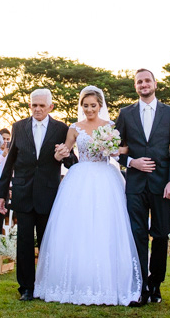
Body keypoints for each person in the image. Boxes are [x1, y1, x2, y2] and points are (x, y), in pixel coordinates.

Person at [35, 86, 141, 305]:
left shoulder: (111, 126)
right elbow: (64, 151)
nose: (89, 109)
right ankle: (77, 280)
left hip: (106, 177)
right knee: (79, 227)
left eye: (93, 105)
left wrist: (112, 149)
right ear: (81, 107)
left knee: (106, 226)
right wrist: (59, 153)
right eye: (86, 106)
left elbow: (125, 149)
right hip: (80, 177)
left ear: (100, 106)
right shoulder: (74, 128)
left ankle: (108, 282)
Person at [0, 89, 77, 301]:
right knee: (23, 242)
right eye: (34, 105)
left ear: (51, 107)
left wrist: (63, 155)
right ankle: (26, 288)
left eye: (42, 105)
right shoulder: (19, 127)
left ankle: (47, 283)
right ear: (30, 106)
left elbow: (72, 162)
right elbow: (10, 161)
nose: (38, 109)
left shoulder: (61, 129)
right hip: (23, 193)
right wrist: (2, 193)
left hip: (49, 194)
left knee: (47, 242)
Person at [114, 69, 170, 306]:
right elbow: (113, 147)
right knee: (137, 235)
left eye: (147, 81)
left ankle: (156, 285)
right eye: (139, 82)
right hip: (134, 185)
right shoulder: (125, 113)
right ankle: (140, 286)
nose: (143, 84)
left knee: (161, 234)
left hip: (163, 184)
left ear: (155, 84)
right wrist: (131, 162)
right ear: (135, 86)